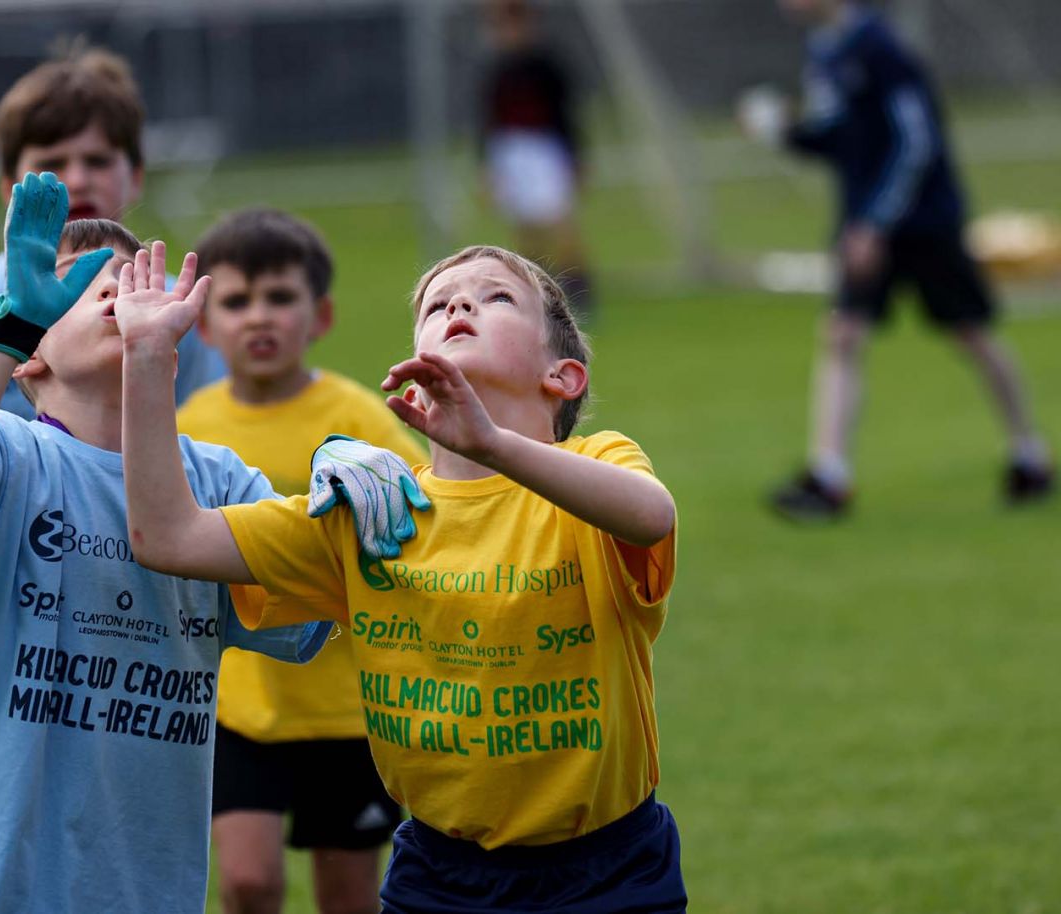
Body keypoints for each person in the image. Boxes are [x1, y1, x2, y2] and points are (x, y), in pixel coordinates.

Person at [0, 173, 415, 914]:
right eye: (81, 287)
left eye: (131, 278)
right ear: (32, 356)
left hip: (139, 882)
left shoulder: (213, 478)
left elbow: (320, 595)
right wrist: (7, 329)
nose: (116, 292)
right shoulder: (11, 455)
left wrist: (342, 486)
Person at [119, 244, 687, 913]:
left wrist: (493, 446)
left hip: (608, 870)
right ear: (412, 380)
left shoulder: (601, 465)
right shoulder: (373, 514)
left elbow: (651, 516)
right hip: (439, 877)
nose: (461, 305)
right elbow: (167, 535)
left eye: (497, 297)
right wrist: (148, 358)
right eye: (438, 303)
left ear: (563, 376)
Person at [0, 45, 225, 696]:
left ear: (136, 175)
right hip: (5, 580)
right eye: (52, 164)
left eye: (96, 160)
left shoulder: (174, 309)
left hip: (139, 580)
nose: (78, 178)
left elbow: (212, 432)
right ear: (13, 190)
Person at [176, 208, 426, 914]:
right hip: (238, 702)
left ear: (320, 315)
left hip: (349, 708)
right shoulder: (187, 425)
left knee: (349, 900)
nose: (260, 317)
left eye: (280, 298)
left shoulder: (362, 419)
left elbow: (423, 524)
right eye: (236, 301)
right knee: (248, 883)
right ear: (202, 323)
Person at [739, 0, 1053, 519]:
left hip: (923, 224)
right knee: (843, 334)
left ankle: (1029, 455)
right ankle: (829, 476)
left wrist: (875, 223)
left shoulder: (881, 50)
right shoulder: (825, 53)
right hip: (867, 225)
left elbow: (915, 142)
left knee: (971, 333)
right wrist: (782, 131)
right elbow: (840, 139)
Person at [480, 0, 592, 315]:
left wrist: (575, 157)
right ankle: (531, 293)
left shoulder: (547, 65)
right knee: (524, 226)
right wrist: (488, 165)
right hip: (511, 152)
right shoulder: (496, 69)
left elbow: (565, 114)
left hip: (544, 148)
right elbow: (489, 121)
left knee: (560, 222)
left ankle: (580, 292)